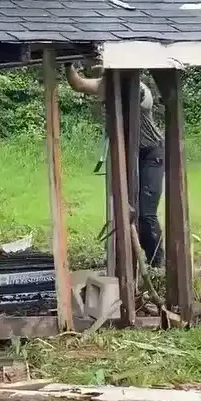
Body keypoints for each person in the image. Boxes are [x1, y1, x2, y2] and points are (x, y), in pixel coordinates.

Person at [66, 64, 164, 267]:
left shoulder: (140, 89)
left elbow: (136, 95)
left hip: (151, 154)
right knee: (124, 208)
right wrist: (68, 64)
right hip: (127, 154)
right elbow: (78, 83)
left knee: (146, 214)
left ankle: (157, 261)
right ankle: (126, 257)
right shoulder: (106, 85)